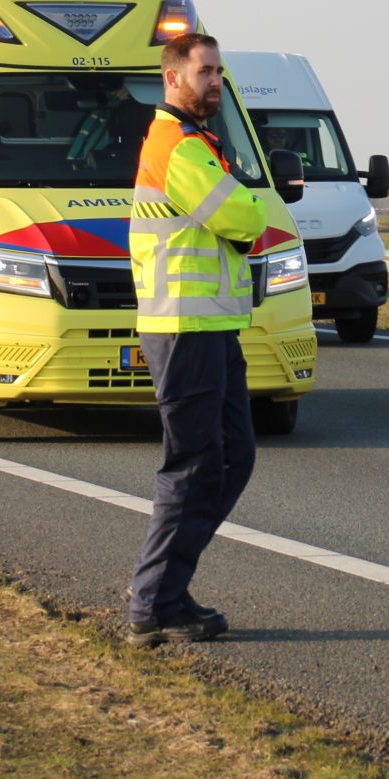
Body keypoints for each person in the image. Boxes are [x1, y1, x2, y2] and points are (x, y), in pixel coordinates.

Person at [124, 32, 267, 647]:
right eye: (205, 71)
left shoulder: (199, 143)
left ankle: (165, 588)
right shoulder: (179, 146)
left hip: (210, 326)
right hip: (184, 329)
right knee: (193, 465)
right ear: (172, 78)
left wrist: (245, 215)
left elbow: (240, 220)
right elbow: (245, 217)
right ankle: (153, 602)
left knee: (233, 457)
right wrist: (248, 214)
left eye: (218, 72)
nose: (215, 82)